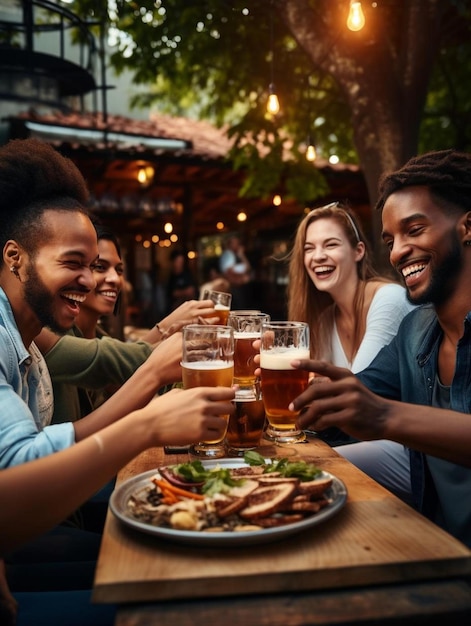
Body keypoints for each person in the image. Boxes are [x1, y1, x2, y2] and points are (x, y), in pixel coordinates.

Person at [0, 137, 235, 623]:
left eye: (97, 266)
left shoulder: (28, 348)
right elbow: (18, 473)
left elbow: (45, 446)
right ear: (14, 257)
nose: (89, 281)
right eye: (74, 263)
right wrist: (147, 421)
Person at [287, 148, 471, 548]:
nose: (398, 251)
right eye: (390, 239)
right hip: (441, 547)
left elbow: (375, 412)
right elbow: (353, 397)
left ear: (467, 227)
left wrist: (384, 416)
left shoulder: (392, 309)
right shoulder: (415, 331)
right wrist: (254, 401)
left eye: (415, 230)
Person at [35, 222, 219, 424]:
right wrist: (166, 330)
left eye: (119, 269)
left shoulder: (98, 334)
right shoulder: (48, 334)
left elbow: (124, 380)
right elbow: (110, 361)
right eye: (99, 267)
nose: (114, 278)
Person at [287, 202, 414, 458]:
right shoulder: (323, 320)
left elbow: (354, 396)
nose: (318, 256)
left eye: (330, 244)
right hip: (355, 442)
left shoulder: (388, 300)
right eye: (309, 248)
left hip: (406, 448)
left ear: (358, 251)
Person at [219, 234, 253, 309]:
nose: (237, 245)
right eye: (235, 243)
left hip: (239, 287)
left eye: (238, 243)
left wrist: (241, 255)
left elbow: (247, 268)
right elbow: (229, 271)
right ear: (230, 244)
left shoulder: (236, 255)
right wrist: (242, 276)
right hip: (232, 288)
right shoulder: (228, 254)